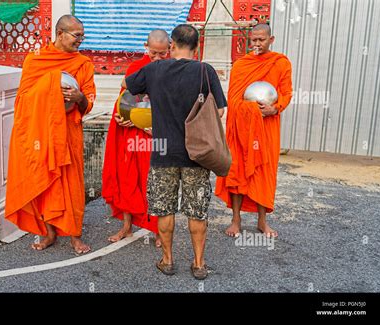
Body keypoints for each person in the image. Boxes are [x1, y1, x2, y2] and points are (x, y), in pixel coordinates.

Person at [122, 24, 226, 280]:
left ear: (171, 46)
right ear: (197, 47)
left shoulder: (155, 69)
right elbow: (220, 111)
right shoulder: (205, 71)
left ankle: (167, 260)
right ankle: (199, 264)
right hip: (197, 154)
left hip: (163, 154)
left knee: (165, 209)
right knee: (197, 211)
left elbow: (127, 85)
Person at [5, 15, 96, 255]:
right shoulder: (35, 61)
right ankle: (49, 232)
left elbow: (89, 100)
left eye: (82, 36)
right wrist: (51, 86)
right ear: (60, 34)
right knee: (45, 181)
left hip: (68, 133)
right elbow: (23, 100)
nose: (80, 40)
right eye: (77, 36)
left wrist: (79, 99)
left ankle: (75, 236)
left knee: (73, 184)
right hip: (43, 133)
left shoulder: (83, 63)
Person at [215, 23, 293, 238]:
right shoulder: (241, 65)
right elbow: (233, 98)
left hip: (267, 126)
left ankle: (262, 221)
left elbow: (286, 92)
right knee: (238, 170)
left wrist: (274, 108)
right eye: (254, 40)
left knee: (263, 171)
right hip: (243, 128)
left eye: (262, 40)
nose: (257, 44)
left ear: (271, 39)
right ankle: (236, 220)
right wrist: (249, 110)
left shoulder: (280, 63)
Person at [102, 30, 170, 248]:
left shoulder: (172, 69)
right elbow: (125, 98)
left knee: (154, 180)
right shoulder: (135, 68)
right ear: (145, 47)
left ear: (169, 48)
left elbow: (173, 105)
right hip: (132, 131)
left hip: (153, 133)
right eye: (153, 54)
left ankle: (158, 230)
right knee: (127, 176)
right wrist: (121, 118)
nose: (158, 59)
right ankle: (127, 225)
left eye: (162, 53)